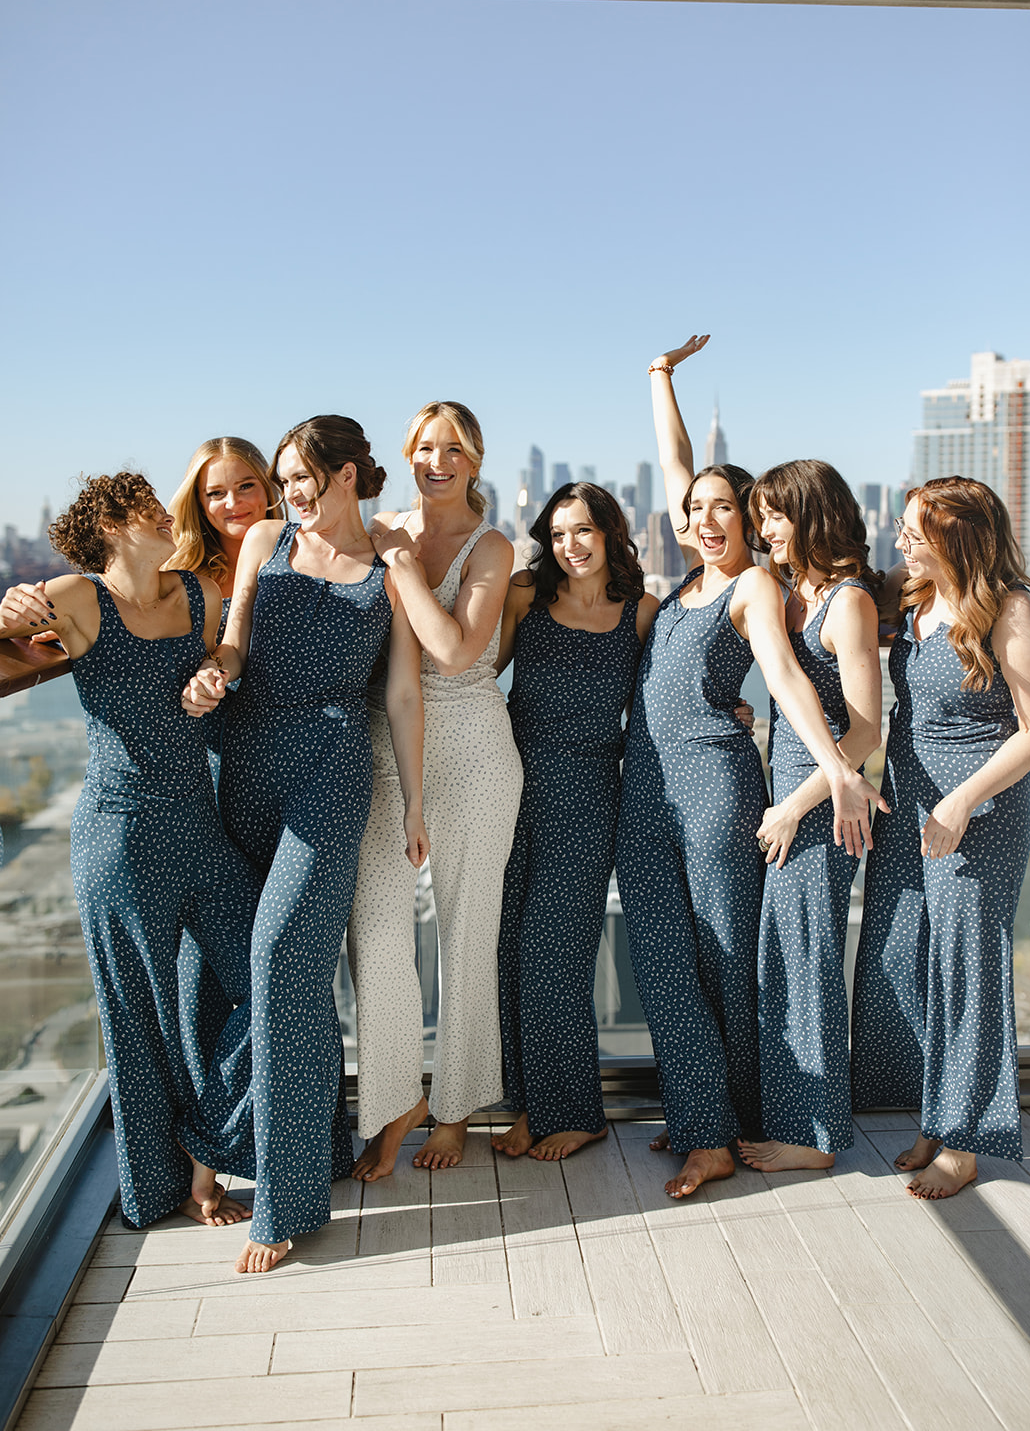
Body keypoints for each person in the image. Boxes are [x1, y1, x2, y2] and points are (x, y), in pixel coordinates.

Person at [617, 336, 886, 1199]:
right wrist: (659, 380)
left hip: (719, 790)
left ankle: (718, 1127)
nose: (704, 517)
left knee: (726, 959)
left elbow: (780, 677)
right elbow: (675, 466)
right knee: (660, 957)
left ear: (747, 520)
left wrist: (833, 766)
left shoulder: (753, 587)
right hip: (645, 788)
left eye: (723, 509)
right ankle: (706, 1115)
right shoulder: (681, 578)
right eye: (694, 508)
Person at [183, 415, 427, 1272]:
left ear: (351, 475)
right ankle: (233, 1149)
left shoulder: (389, 568)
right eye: (282, 476)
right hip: (242, 763)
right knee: (219, 969)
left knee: (284, 959)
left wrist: (415, 807)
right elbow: (235, 638)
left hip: (329, 774)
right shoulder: (262, 543)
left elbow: (401, 696)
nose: (288, 491)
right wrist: (216, 671)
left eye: (302, 477)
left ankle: (279, 1204)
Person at [0, 474, 262, 1231]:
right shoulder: (79, 597)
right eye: (137, 505)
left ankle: (208, 1147)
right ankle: (169, 1187)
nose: (156, 510)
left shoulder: (194, 591)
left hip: (198, 824)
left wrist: (216, 672)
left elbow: (224, 658)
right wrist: (9, 608)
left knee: (275, 973)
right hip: (117, 835)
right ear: (109, 527)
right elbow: (10, 621)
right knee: (135, 1019)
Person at [851, 477, 1030, 1198]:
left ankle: (964, 1142)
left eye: (914, 533)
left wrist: (962, 801)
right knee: (907, 955)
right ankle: (935, 1117)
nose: (900, 542)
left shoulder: (1009, 610)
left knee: (967, 969)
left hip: (973, 811)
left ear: (956, 537)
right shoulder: (909, 596)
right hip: (907, 803)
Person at [347, 401, 523, 1176]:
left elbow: (452, 651)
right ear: (408, 454)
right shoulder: (380, 525)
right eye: (425, 447)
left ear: (476, 460)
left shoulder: (491, 547)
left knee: (464, 938)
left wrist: (403, 568)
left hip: (478, 751)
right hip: (389, 745)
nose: (438, 460)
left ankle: (453, 1111)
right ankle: (393, 1104)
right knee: (377, 933)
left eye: (453, 448)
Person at [492, 483, 659, 1162]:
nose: (571, 545)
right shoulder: (525, 594)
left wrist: (730, 712)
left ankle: (576, 1112)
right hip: (508, 785)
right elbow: (477, 673)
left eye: (584, 530)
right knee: (507, 952)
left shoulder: (641, 612)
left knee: (554, 956)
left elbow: (663, 698)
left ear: (611, 532)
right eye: (559, 534)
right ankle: (529, 1106)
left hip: (590, 796)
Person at [736, 460, 882, 1174]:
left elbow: (862, 732)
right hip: (793, 791)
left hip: (824, 806)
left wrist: (793, 804)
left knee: (805, 962)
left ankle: (814, 1135)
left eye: (774, 517)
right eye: (758, 518)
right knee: (784, 960)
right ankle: (791, 1114)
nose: (762, 532)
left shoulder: (848, 602)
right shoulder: (791, 592)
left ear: (812, 515)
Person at [168, 437, 281, 1090]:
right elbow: (106, 609)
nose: (233, 503)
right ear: (198, 502)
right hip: (209, 778)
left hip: (294, 774)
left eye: (245, 486)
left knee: (283, 956)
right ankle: (205, 1147)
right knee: (203, 965)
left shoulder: (302, 560)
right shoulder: (182, 579)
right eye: (215, 491)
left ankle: (299, 1131)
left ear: (268, 487)